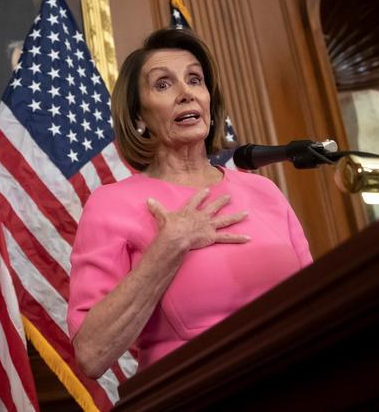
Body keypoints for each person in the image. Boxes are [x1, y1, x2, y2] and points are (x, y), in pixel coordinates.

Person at [67, 28, 313, 379]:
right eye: (163, 85)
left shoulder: (264, 192)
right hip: (196, 390)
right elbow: (91, 354)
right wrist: (169, 247)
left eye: (195, 80)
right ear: (139, 117)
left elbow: (316, 299)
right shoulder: (111, 204)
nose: (186, 93)